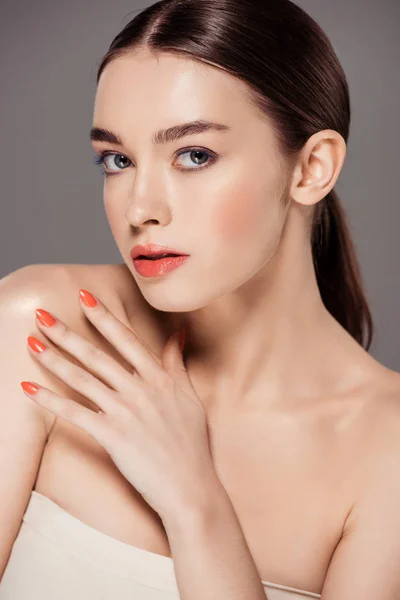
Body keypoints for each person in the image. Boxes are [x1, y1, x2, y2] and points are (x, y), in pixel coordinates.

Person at [1, 0, 400, 598]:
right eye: (117, 160)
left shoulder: (387, 452)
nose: (140, 208)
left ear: (312, 167)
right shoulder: (43, 332)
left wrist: (195, 503)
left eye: (194, 155)